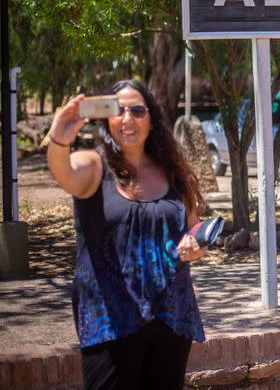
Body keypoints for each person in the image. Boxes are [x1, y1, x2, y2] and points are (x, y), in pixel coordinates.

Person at [46, 80, 206, 390]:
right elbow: (64, 173)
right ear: (106, 118)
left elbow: (192, 224)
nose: (127, 118)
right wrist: (59, 140)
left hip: (170, 316)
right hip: (110, 318)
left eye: (137, 110)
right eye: (118, 110)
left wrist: (197, 242)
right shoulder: (94, 165)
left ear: (151, 119)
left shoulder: (172, 170)